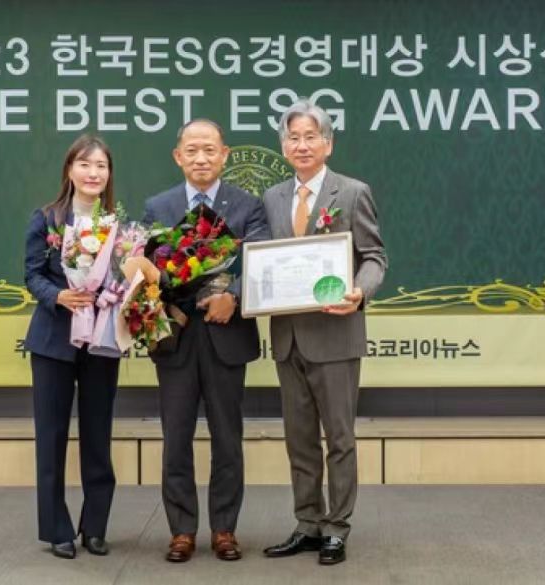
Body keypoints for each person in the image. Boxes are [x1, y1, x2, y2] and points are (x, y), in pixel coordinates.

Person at [260, 99, 387, 566]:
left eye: (311, 137)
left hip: (336, 334)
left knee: (339, 438)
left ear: (328, 144)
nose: (302, 145)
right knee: (298, 439)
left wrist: (359, 291)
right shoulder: (272, 198)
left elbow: (375, 257)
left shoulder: (352, 193)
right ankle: (308, 523)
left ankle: (337, 527)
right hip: (287, 336)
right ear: (283, 146)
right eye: (293, 137)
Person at [142, 119, 272, 562]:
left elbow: (260, 263)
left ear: (225, 154)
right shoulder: (157, 207)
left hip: (226, 335)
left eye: (210, 150)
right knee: (175, 437)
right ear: (178, 156)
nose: (201, 158)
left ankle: (224, 529)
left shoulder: (248, 206)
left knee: (227, 438)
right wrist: (160, 285)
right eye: (192, 150)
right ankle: (181, 530)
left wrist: (233, 295)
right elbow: (146, 271)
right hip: (176, 337)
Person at [23, 134, 121, 559]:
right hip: (53, 342)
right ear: (69, 170)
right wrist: (58, 296)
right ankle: (56, 529)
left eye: (101, 166)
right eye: (85, 164)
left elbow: (125, 276)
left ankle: (95, 527)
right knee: (52, 436)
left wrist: (118, 292)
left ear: (108, 174)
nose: (93, 173)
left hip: (100, 342)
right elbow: (32, 275)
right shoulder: (47, 218)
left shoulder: (118, 225)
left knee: (98, 435)